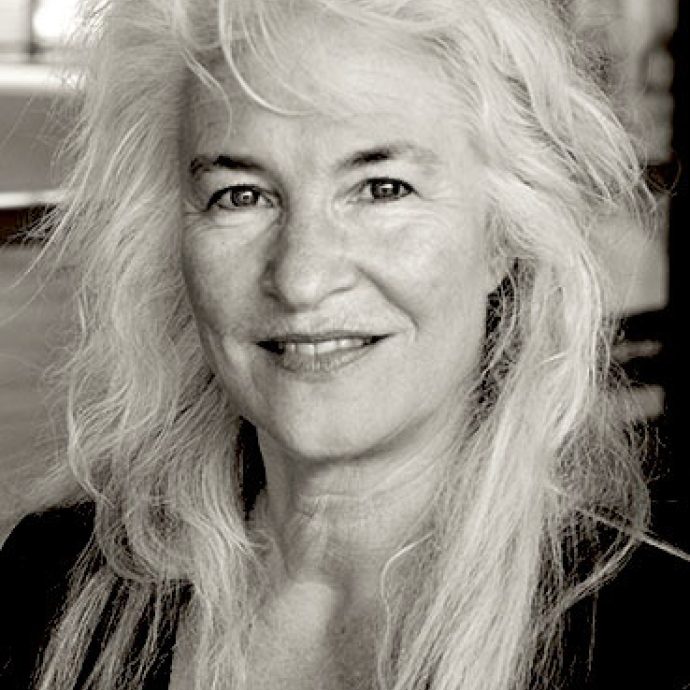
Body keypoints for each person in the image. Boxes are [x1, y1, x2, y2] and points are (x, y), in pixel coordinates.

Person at [1, 0, 688, 689]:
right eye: (241, 196)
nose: (301, 278)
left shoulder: (654, 639)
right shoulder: (54, 584)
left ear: (504, 234)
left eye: (382, 189)